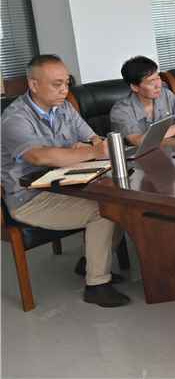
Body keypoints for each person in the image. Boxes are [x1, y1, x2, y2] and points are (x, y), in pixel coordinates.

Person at [1, 55, 129, 307]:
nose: (64, 90)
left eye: (67, 83)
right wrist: (90, 151)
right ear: (34, 85)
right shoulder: (14, 119)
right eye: (57, 84)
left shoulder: (64, 107)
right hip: (29, 199)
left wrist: (92, 145)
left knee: (122, 202)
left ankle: (89, 261)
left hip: (65, 186)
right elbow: (39, 156)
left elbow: (92, 138)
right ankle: (96, 285)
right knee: (104, 211)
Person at [110, 56, 175, 145]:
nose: (158, 85)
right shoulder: (121, 111)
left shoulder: (165, 95)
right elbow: (139, 141)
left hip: (171, 150)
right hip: (140, 159)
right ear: (135, 87)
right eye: (151, 81)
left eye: (158, 78)